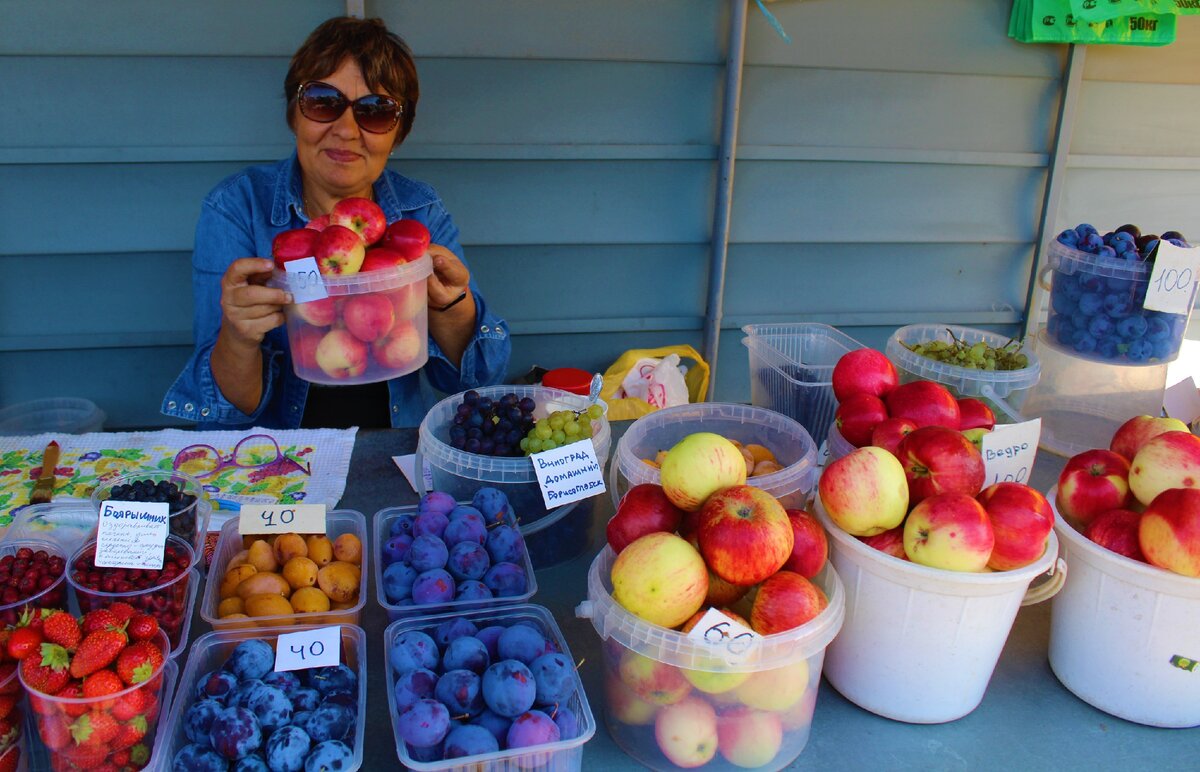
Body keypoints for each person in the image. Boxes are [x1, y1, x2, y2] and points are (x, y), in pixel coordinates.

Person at [162, 16, 510, 430]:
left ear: (397, 133)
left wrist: (453, 308)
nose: (346, 130)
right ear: (295, 113)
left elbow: (473, 382)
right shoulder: (237, 207)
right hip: (280, 461)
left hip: (390, 453)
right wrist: (239, 337)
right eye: (324, 102)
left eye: (376, 112)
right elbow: (229, 411)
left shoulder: (420, 213)